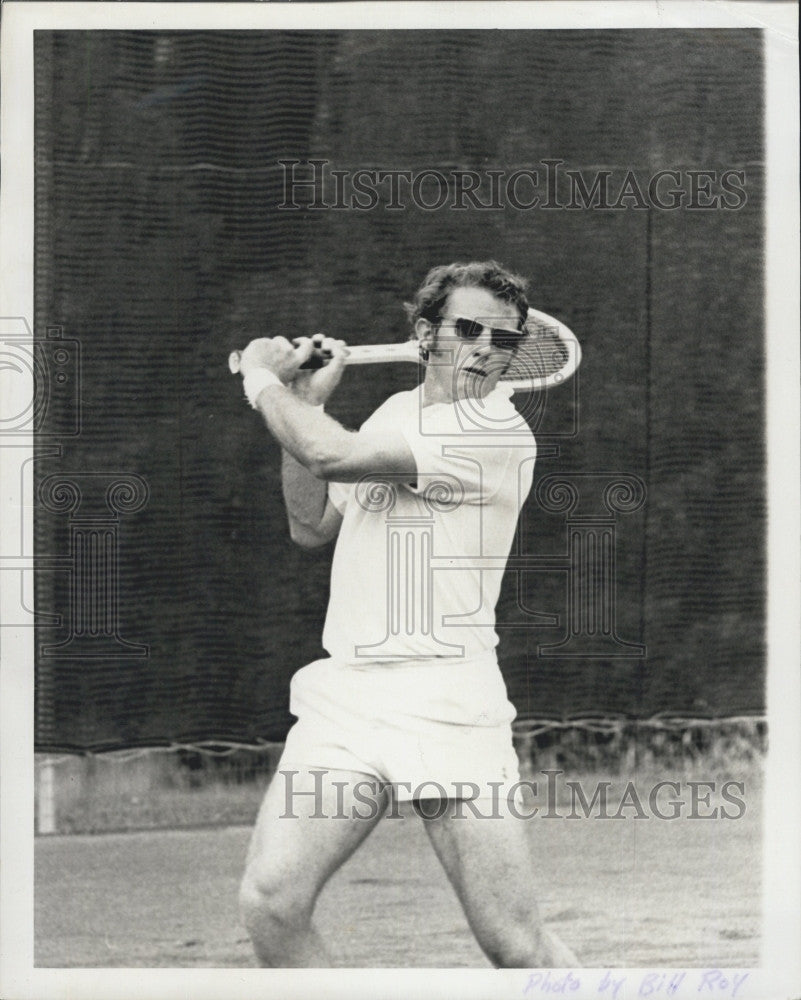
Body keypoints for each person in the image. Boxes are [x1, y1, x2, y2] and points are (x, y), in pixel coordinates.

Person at [236, 261, 578, 968]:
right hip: (349, 699)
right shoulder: (395, 414)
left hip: (445, 702)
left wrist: (266, 385)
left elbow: (327, 452)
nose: (484, 348)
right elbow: (310, 523)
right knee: (272, 904)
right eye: (467, 329)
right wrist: (303, 399)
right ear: (425, 334)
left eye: (502, 338)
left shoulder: (495, 432)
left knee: (513, 945)